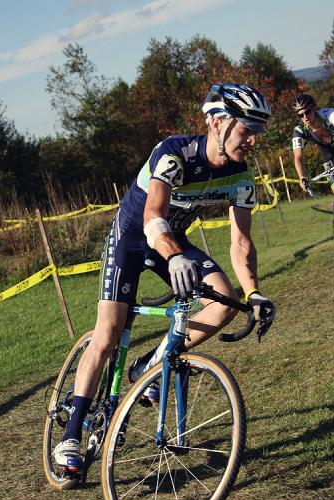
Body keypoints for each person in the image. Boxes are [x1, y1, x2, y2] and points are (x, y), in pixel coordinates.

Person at [54, 83, 276, 472]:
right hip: (133, 237)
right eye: (246, 129)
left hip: (172, 240)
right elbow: (152, 214)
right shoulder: (174, 152)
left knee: (223, 301)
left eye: (258, 131)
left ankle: (150, 366)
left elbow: (241, 242)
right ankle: (70, 435)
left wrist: (254, 292)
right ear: (217, 123)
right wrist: (173, 257)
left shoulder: (241, 177)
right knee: (108, 332)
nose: (253, 140)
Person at [292, 93, 334, 195]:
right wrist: (301, 177)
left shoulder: (330, 115)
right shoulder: (299, 130)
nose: (305, 117)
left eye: (307, 112)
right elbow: (298, 156)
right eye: (301, 115)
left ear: (314, 109)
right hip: (328, 154)